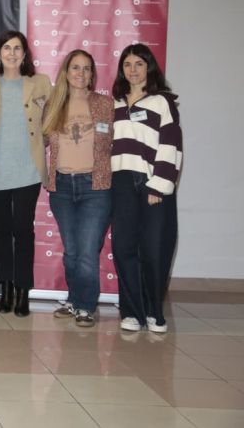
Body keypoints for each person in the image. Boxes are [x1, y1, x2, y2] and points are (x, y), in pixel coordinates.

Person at [0, 30, 51, 317]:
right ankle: (5, 287)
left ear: (25, 54)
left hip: (28, 168)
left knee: (23, 230)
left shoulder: (41, 83)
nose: (12, 53)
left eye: (17, 48)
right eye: (7, 48)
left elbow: (52, 119)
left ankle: (23, 291)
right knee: (1, 232)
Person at [110, 43, 182, 333]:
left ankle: (154, 311)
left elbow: (172, 145)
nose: (133, 70)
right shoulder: (114, 102)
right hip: (122, 181)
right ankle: (131, 312)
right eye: (127, 64)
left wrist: (159, 186)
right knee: (123, 246)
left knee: (154, 249)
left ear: (149, 67)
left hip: (152, 183)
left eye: (139, 64)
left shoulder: (162, 102)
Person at [42, 50, 114, 328]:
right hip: (61, 187)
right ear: (66, 72)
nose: (81, 74)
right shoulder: (54, 105)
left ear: (92, 74)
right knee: (72, 250)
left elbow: (117, 143)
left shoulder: (106, 105)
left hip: (95, 187)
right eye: (75, 68)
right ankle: (74, 299)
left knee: (86, 250)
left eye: (86, 69)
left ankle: (86, 306)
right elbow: (41, 141)